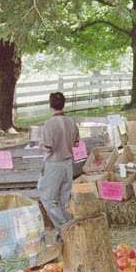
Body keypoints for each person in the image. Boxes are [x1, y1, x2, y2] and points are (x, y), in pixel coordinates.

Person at [37, 91, 79, 234]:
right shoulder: (71, 121)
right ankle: (71, 228)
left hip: (54, 164)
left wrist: (40, 146)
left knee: (47, 198)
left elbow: (48, 147)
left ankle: (63, 227)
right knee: (64, 198)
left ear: (50, 105)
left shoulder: (49, 124)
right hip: (68, 163)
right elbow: (76, 144)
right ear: (63, 104)